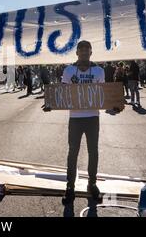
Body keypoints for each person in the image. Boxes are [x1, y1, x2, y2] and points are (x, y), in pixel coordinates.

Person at [54, 41, 106, 205]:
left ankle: (92, 184)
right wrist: (52, 103)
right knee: (73, 152)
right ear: (77, 53)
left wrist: (115, 105)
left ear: (91, 53)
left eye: (87, 51)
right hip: (75, 118)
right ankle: (70, 187)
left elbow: (104, 94)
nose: (84, 53)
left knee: (93, 151)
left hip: (92, 117)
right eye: (81, 51)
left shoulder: (99, 70)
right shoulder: (69, 70)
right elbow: (62, 93)